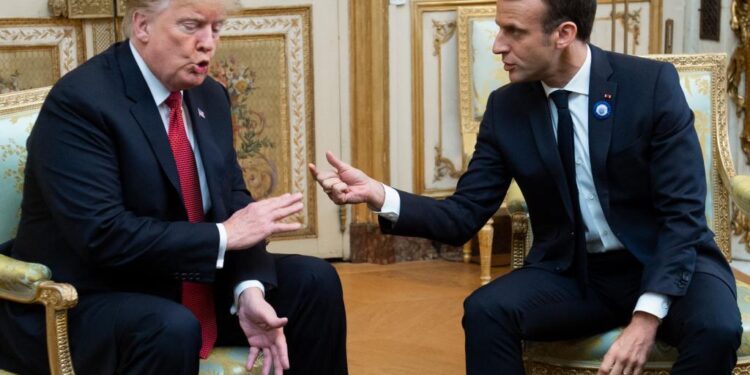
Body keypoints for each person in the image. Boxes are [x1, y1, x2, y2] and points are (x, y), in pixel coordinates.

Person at [310, 0, 741, 374]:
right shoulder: (506, 108)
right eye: (500, 29)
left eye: (513, 32)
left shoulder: (649, 87)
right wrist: (379, 195)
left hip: (666, 259)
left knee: (717, 329)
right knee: (486, 311)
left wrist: (646, 318)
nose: (498, 45)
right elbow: (463, 215)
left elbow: (681, 215)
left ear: (563, 34)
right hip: (577, 273)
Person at [0, 0, 347, 374]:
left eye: (215, 29)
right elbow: (103, 234)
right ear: (142, 25)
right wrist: (224, 236)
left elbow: (232, 201)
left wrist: (248, 290)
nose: (207, 43)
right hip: (89, 299)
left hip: (180, 281)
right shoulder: (81, 103)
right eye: (191, 26)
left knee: (315, 281)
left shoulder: (209, 95)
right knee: (171, 327)